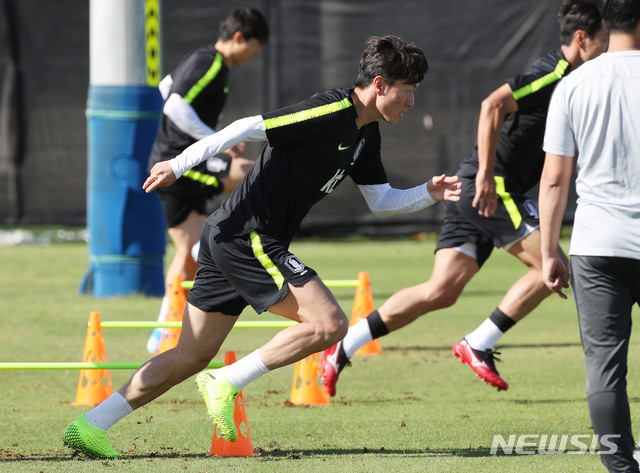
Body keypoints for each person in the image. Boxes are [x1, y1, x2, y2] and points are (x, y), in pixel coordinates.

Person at [62, 34, 462, 459]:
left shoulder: (366, 135)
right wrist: (178, 165)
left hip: (227, 236)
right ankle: (227, 381)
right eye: (409, 90)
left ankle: (90, 424)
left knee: (190, 355)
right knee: (329, 324)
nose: (412, 103)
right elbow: (245, 128)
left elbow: (381, 200)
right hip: (247, 236)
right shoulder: (330, 110)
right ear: (380, 84)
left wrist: (426, 192)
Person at [321, 0, 608, 396]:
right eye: (606, 38)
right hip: (488, 186)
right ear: (582, 38)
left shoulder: (578, 80)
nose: (612, 45)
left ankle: (344, 345)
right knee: (552, 265)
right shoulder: (555, 70)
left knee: (441, 290)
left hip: (472, 186)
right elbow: (492, 104)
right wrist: (488, 176)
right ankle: (481, 342)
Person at [539, 1, 640, 471]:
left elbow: (555, 179)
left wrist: (547, 251)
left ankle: (621, 467)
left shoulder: (574, 84)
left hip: (596, 247)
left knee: (604, 370)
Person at [146, 7, 269, 354]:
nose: (255, 55)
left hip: (165, 163)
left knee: (186, 254)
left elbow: (164, 85)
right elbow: (174, 106)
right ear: (239, 38)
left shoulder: (200, 58)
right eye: (255, 47)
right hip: (178, 167)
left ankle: (161, 332)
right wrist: (216, 139)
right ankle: (241, 245)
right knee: (248, 172)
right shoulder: (211, 63)